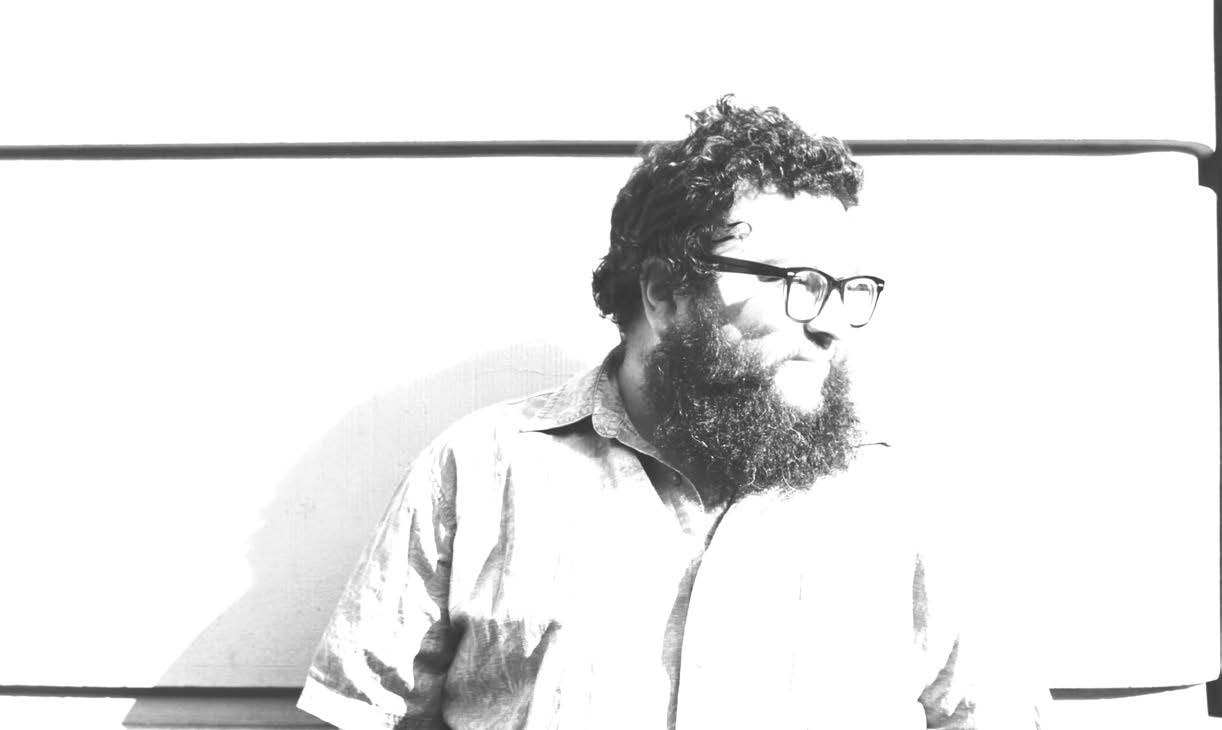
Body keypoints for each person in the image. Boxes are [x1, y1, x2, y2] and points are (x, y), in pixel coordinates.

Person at [297, 97, 1051, 729]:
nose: (830, 324)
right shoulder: (481, 471)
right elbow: (358, 716)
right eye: (798, 281)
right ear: (663, 293)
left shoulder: (899, 500)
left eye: (849, 287)